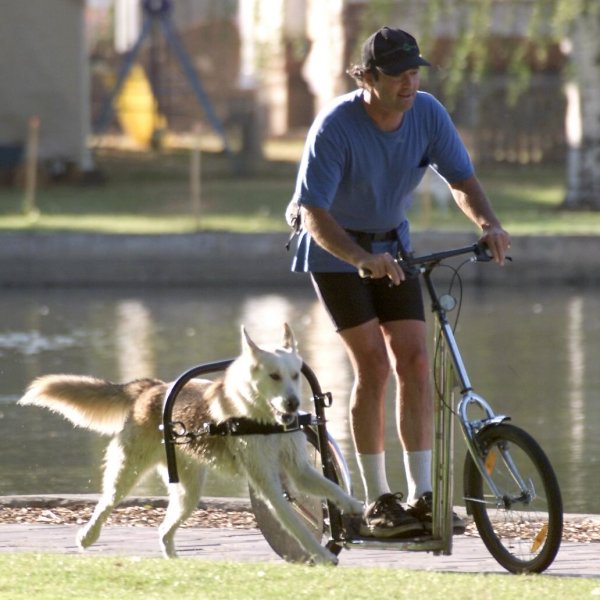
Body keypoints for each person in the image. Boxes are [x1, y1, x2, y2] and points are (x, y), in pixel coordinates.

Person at [286, 26, 511, 538]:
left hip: (394, 248)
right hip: (334, 250)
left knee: (413, 360)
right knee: (373, 366)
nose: (409, 83)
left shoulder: (427, 113)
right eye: (397, 75)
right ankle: (379, 500)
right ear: (366, 77)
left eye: (415, 72)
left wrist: (489, 225)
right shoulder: (335, 127)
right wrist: (361, 258)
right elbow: (314, 213)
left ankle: (422, 495)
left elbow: (461, 179)